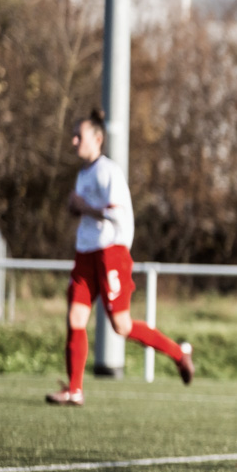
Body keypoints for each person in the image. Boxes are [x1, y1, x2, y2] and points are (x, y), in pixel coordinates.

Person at [46, 108, 194, 406]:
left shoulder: (108, 171)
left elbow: (116, 213)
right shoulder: (83, 174)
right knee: (75, 317)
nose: (74, 141)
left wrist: (83, 206)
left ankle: (179, 354)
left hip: (111, 252)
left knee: (121, 326)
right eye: (73, 136)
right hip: (85, 253)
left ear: (97, 138)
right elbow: (85, 209)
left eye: (79, 136)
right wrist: (75, 207)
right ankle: (75, 390)